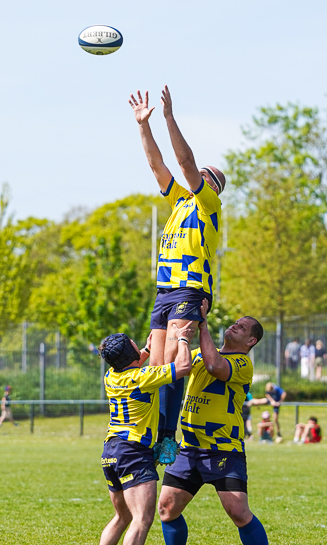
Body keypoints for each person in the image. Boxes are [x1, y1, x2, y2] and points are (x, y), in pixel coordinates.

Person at [143, 301, 282, 545]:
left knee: (239, 513)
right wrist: (176, 329)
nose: (234, 326)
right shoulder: (198, 356)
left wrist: (202, 321)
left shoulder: (241, 364)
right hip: (189, 449)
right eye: (235, 323)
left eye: (241, 327)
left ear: (251, 340)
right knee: (167, 508)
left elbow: (214, 365)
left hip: (223, 450)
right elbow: (173, 366)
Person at [129, 87, 227, 466]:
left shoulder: (207, 203)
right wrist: (144, 126)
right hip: (165, 290)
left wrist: (170, 118)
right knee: (155, 365)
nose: (193, 177)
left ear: (212, 186)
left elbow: (185, 162)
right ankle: (153, 431)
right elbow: (158, 166)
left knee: (173, 359)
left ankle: (168, 438)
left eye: (203, 177)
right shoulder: (178, 202)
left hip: (190, 288)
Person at [84, 324, 193, 545]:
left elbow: (136, 360)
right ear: (131, 355)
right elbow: (183, 367)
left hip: (110, 451)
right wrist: (183, 339)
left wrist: (146, 347)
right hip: (132, 452)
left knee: (122, 516)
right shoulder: (143, 377)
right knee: (142, 518)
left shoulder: (112, 376)